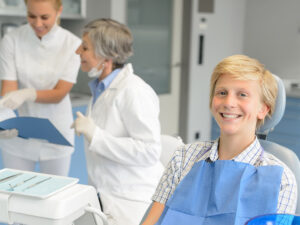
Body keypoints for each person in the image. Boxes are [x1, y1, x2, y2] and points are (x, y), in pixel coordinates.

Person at [142, 55, 298, 225]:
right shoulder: (184, 157)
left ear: (262, 109)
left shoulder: (281, 179)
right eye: (222, 93)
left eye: (242, 95)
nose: (229, 102)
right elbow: (151, 222)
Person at [72, 18, 164, 225]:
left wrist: (95, 134)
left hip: (132, 200)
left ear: (107, 55)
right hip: (106, 195)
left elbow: (149, 151)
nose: (78, 51)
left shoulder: (133, 91)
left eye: (85, 47)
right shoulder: (100, 89)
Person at [0, 0, 81, 176]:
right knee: (14, 195)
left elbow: (59, 93)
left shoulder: (73, 44)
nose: (37, 24)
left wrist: (28, 93)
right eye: (31, 16)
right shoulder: (12, 40)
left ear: (59, 11)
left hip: (56, 133)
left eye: (44, 17)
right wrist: (4, 120)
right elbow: (8, 88)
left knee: (55, 196)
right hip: (18, 135)